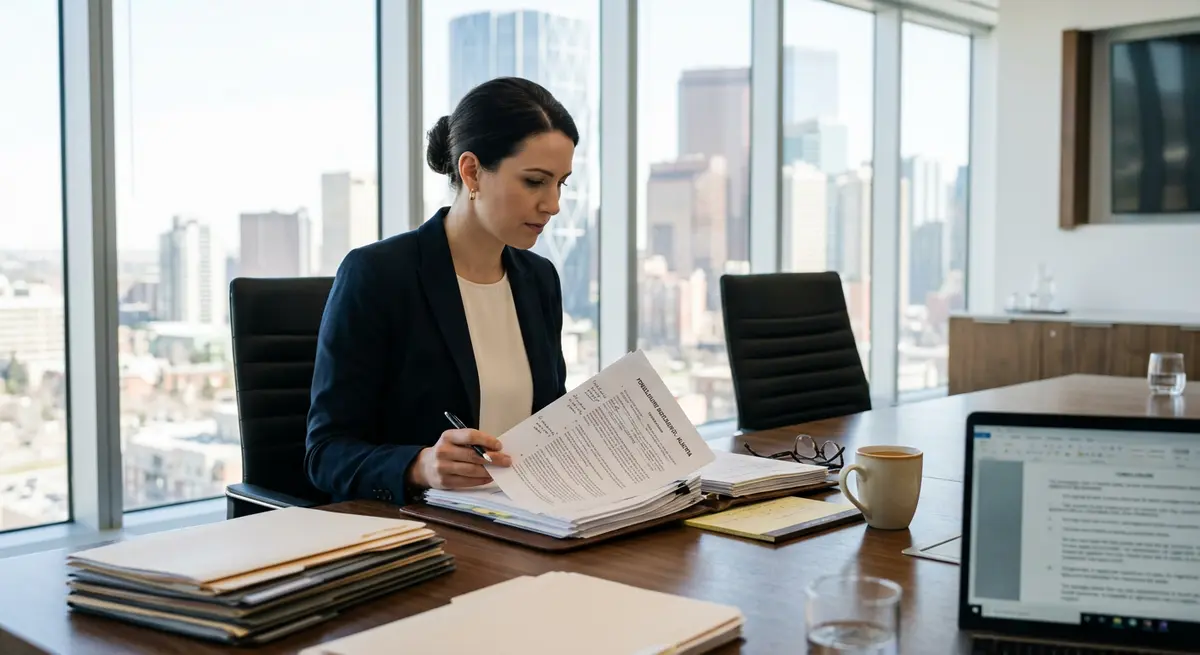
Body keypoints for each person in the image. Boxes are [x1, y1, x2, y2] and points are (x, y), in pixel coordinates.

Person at [305, 77, 577, 504]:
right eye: (534, 181)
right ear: (471, 172)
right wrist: (419, 466)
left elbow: (547, 420)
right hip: (423, 533)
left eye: (561, 183)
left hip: (529, 520)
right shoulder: (378, 275)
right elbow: (326, 453)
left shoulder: (539, 279)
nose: (553, 204)